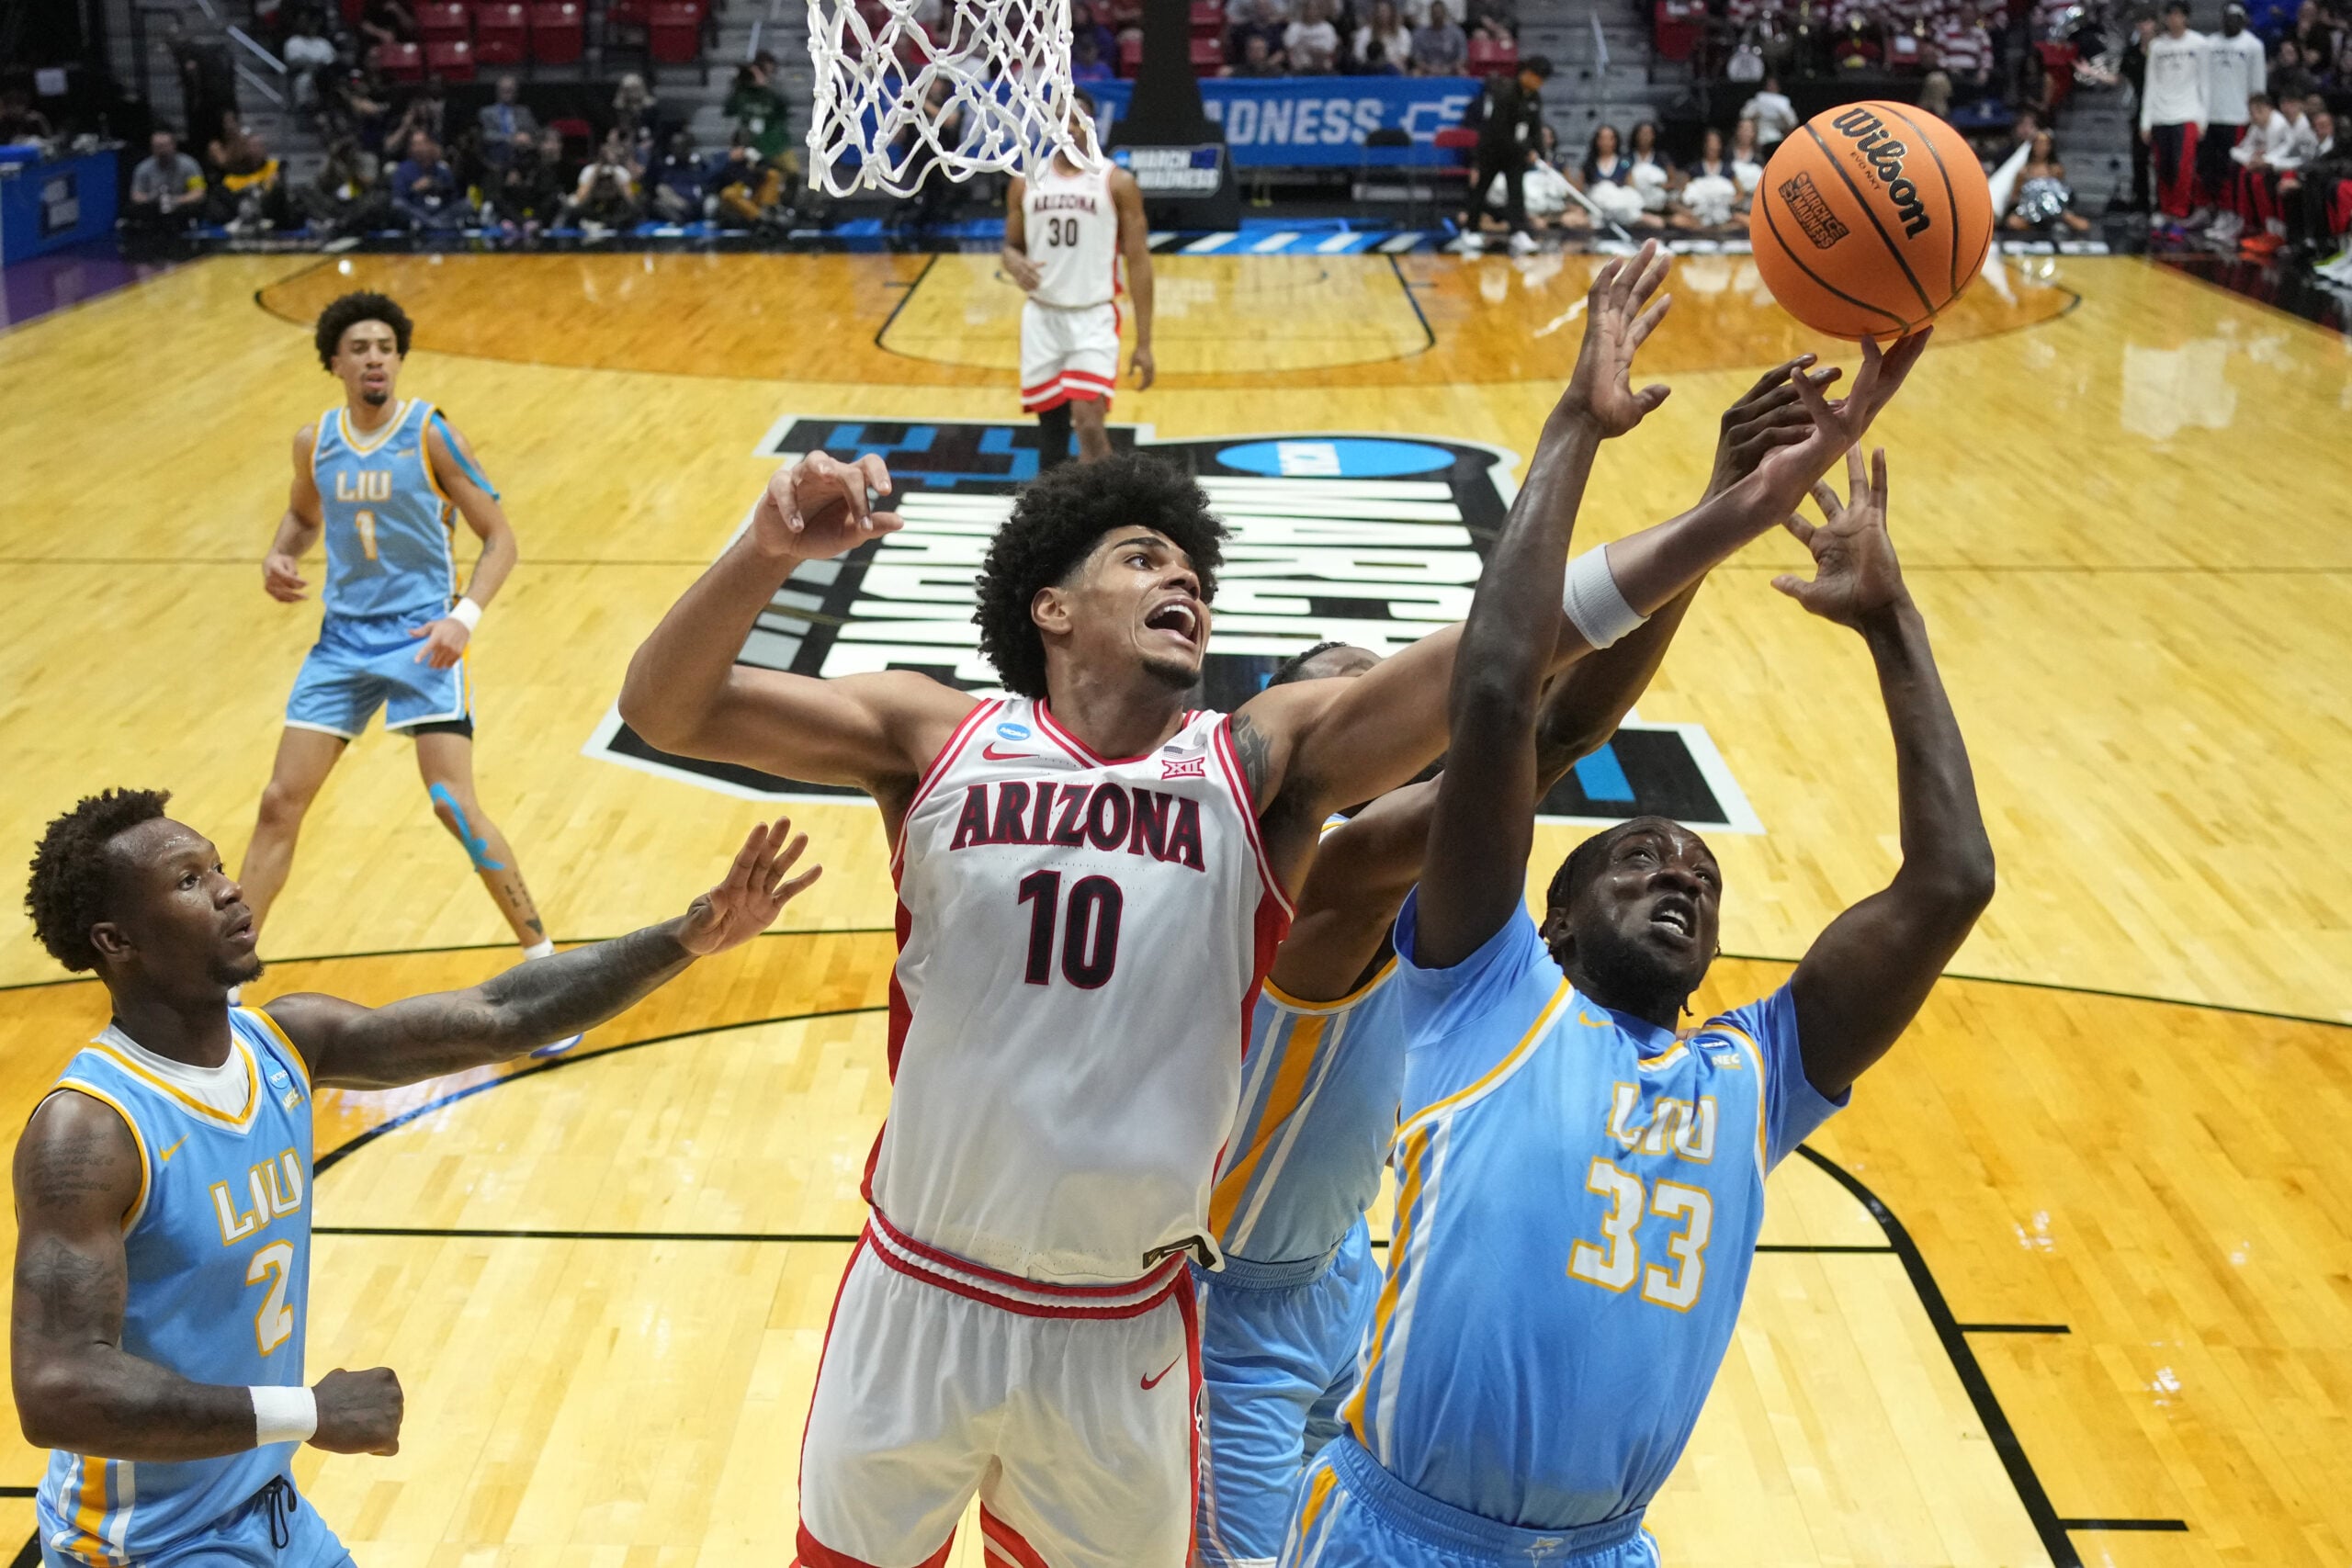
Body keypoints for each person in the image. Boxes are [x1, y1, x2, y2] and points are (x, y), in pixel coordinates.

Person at [616, 235, 1926, 1568]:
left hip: (1121, 1319)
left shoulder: (1256, 771)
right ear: (1050, 607)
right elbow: (665, 707)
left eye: (1196, 568)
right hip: (921, 1282)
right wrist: (766, 545)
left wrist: (1726, 509)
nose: (1182, 576)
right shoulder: (933, 733)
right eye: (1142, 558)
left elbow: (1502, 680)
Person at [1280, 264, 1983, 1568]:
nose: (1684, 870)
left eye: (1701, 878)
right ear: (1545, 923)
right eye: (1642, 857)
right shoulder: (1487, 991)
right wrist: (1575, 429)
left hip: (1611, 1548)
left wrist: (1893, 624)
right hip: (1396, 1531)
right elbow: (1506, 693)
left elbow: (1950, 886)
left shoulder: (1752, 1076)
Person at [1192, 358, 1824, 1568]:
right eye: (1348, 714)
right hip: (1233, 1316)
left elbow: (1545, 729)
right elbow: (1549, 728)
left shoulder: (1433, 912)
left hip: (1347, 1272)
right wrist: (1713, 515)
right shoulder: (1319, 886)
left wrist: (1714, 512)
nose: (1383, 734)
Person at [13, 791, 818, 1568]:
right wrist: (310, 1413)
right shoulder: (91, 1130)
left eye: (218, 864)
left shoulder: (285, 1042)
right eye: (189, 881)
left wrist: (685, 937)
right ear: (118, 942)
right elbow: (58, 1387)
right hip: (147, 1543)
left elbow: (504, 1013)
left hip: (266, 1507)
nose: (229, 888)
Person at [240, 293, 560, 1011]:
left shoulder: (432, 434)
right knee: (278, 801)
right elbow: (302, 513)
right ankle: (223, 980)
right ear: (335, 362)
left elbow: (501, 537)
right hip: (343, 642)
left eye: (386, 346)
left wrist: (463, 617)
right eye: (360, 347)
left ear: (399, 358)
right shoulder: (314, 440)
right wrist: (279, 553)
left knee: (451, 801)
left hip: (423, 639)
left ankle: (543, 965)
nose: (375, 357)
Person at [1000, 93, 1156, 468]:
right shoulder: (1025, 181)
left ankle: (1107, 512)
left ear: (1092, 125)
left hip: (1093, 316)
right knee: (1051, 433)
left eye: (1075, 121)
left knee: (1088, 424)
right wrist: (1013, 262)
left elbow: (1139, 262)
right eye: (1058, 121)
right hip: (1042, 317)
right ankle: (1057, 519)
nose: (1066, 129)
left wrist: (1145, 343)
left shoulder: (1117, 182)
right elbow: (1010, 247)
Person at [1463, 55, 1554, 252]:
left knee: (1516, 194)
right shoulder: (1505, 93)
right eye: (1537, 77)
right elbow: (1499, 130)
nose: (1539, 82)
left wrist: (1541, 153)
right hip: (1492, 151)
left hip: (1515, 157)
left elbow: (1535, 128)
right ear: (1527, 73)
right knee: (1481, 190)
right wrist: (1525, 150)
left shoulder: (1534, 98)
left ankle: (1518, 232)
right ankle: (1471, 229)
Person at [2194, 1, 2266, 223]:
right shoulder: (2209, 43)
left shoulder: (2253, 45)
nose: (2230, 23)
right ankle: (2204, 207)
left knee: (2229, 168)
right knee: (2205, 166)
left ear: (2243, 20)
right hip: (2210, 115)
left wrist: (2256, 116)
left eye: (2236, 19)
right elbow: (2201, 79)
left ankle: (2228, 210)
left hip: (2237, 117)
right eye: (2227, 18)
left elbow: (2258, 85)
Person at [2143, 0, 2209, 226]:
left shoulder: (2199, 43)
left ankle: (2180, 212)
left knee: (2183, 167)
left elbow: (2205, 83)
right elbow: (2151, 83)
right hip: (2161, 114)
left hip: (2187, 113)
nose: (2174, 19)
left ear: (2186, 17)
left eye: (2179, 15)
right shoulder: (2158, 46)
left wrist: (2203, 119)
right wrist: (2146, 120)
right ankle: (2165, 209)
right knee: (2163, 166)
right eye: (2170, 15)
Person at [2006, 129, 2096, 232]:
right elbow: (2015, 196)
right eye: (2039, 144)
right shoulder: (2023, 172)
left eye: (2045, 144)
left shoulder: (2056, 170)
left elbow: (2062, 191)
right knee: (2013, 222)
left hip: (2054, 211)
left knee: (2083, 225)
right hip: (2030, 212)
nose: (2041, 148)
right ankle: (2036, 231)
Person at [127, 130, 209, 238]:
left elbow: (199, 192)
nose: (162, 151)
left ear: (174, 145)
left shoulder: (189, 164)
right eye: (157, 146)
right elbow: (136, 195)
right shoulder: (143, 168)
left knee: (196, 207)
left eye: (164, 146)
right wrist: (152, 198)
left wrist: (176, 200)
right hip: (154, 206)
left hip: (181, 206)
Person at [1675, 125, 1739, 229]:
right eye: (1709, 142)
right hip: (1698, 214)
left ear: (1720, 145)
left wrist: (1730, 201)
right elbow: (1683, 191)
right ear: (1704, 145)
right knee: (1677, 220)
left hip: (1723, 213)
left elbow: (1740, 193)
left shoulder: (1728, 170)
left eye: (1715, 142)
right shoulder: (1694, 169)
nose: (1712, 146)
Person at [476, 74, 537, 167]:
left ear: (516, 92)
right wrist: (511, 138)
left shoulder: (524, 111)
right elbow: (486, 135)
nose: (507, 93)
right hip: (497, 152)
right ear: (498, 91)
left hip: (523, 151)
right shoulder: (486, 112)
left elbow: (534, 131)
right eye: (504, 90)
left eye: (510, 90)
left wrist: (527, 136)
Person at [1738, 73, 1796, 149]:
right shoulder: (1756, 101)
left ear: (1778, 88)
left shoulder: (1784, 104)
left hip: (1777, 137)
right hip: (1757, 137)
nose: (1771, 87)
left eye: (1774, 85)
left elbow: (1793, 123)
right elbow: (1743, 116)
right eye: (1769, 85)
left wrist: (1783, 114)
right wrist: (1755, 114)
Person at [1411, 0, 1468, 73]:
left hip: (1450, 68)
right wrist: (1428, 68)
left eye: (1439, 13)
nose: (1437, 16)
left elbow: (1462, 55)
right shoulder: (1420, 33)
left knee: (1462, 72)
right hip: (1427, 69)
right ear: (1430, 14)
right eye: (1435, 13)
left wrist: (1450, 67)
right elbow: (1416, 57)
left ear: (1445, 14)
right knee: (1415, 73)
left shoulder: (1456, 32)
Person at [1354, 0, 1413, 70]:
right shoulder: (1365, 32)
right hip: (1370, 68)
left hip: (1394, 69)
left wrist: (1389, 63)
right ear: (1375, 14)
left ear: (1392, 13)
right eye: (1380, 11)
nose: (1382, 15)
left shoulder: (1402, 32)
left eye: (1385, 11)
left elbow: (1404, 55)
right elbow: (1359, 55)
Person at [1287, 0, 1343, 72]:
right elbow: (1289, 51)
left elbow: (1331, 52)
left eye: (1314, 9)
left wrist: (1317, 54)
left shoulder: (1327, 28)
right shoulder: (1294, 28)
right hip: (1300, 70)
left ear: (1319, 11)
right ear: (1303, 10)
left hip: (1324, 69)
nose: (1311, 12)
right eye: (1308, 9)